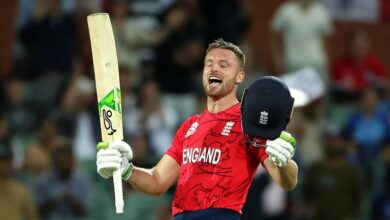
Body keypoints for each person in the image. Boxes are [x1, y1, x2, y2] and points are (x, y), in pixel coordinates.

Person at [96, 39, 299, 219]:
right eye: (209, 64)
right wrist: (126, 169)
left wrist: (285, 163)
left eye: (223, 65)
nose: (214, 69)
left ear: (240, 76)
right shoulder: (189, 126)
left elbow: (287, 181)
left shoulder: (248, 121)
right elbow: (157, 181)